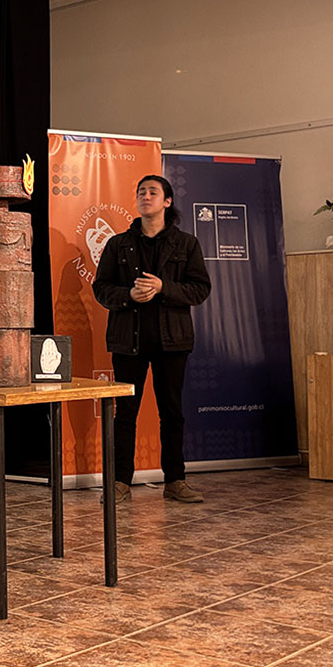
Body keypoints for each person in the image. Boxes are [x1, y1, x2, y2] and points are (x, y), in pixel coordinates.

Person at [92, 174, 211, 504]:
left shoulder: (186, 244)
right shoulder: (118, 244)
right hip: (127, 342)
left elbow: (200, 288)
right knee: (125, 413)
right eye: (141, 191)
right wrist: (129, 294)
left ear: (167, 201)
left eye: (153, 192)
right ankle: (119, 482)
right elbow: (101, 288)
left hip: (172, 342)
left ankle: (175, 480)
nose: (145, 196)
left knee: (172, 412)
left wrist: (163, 288)